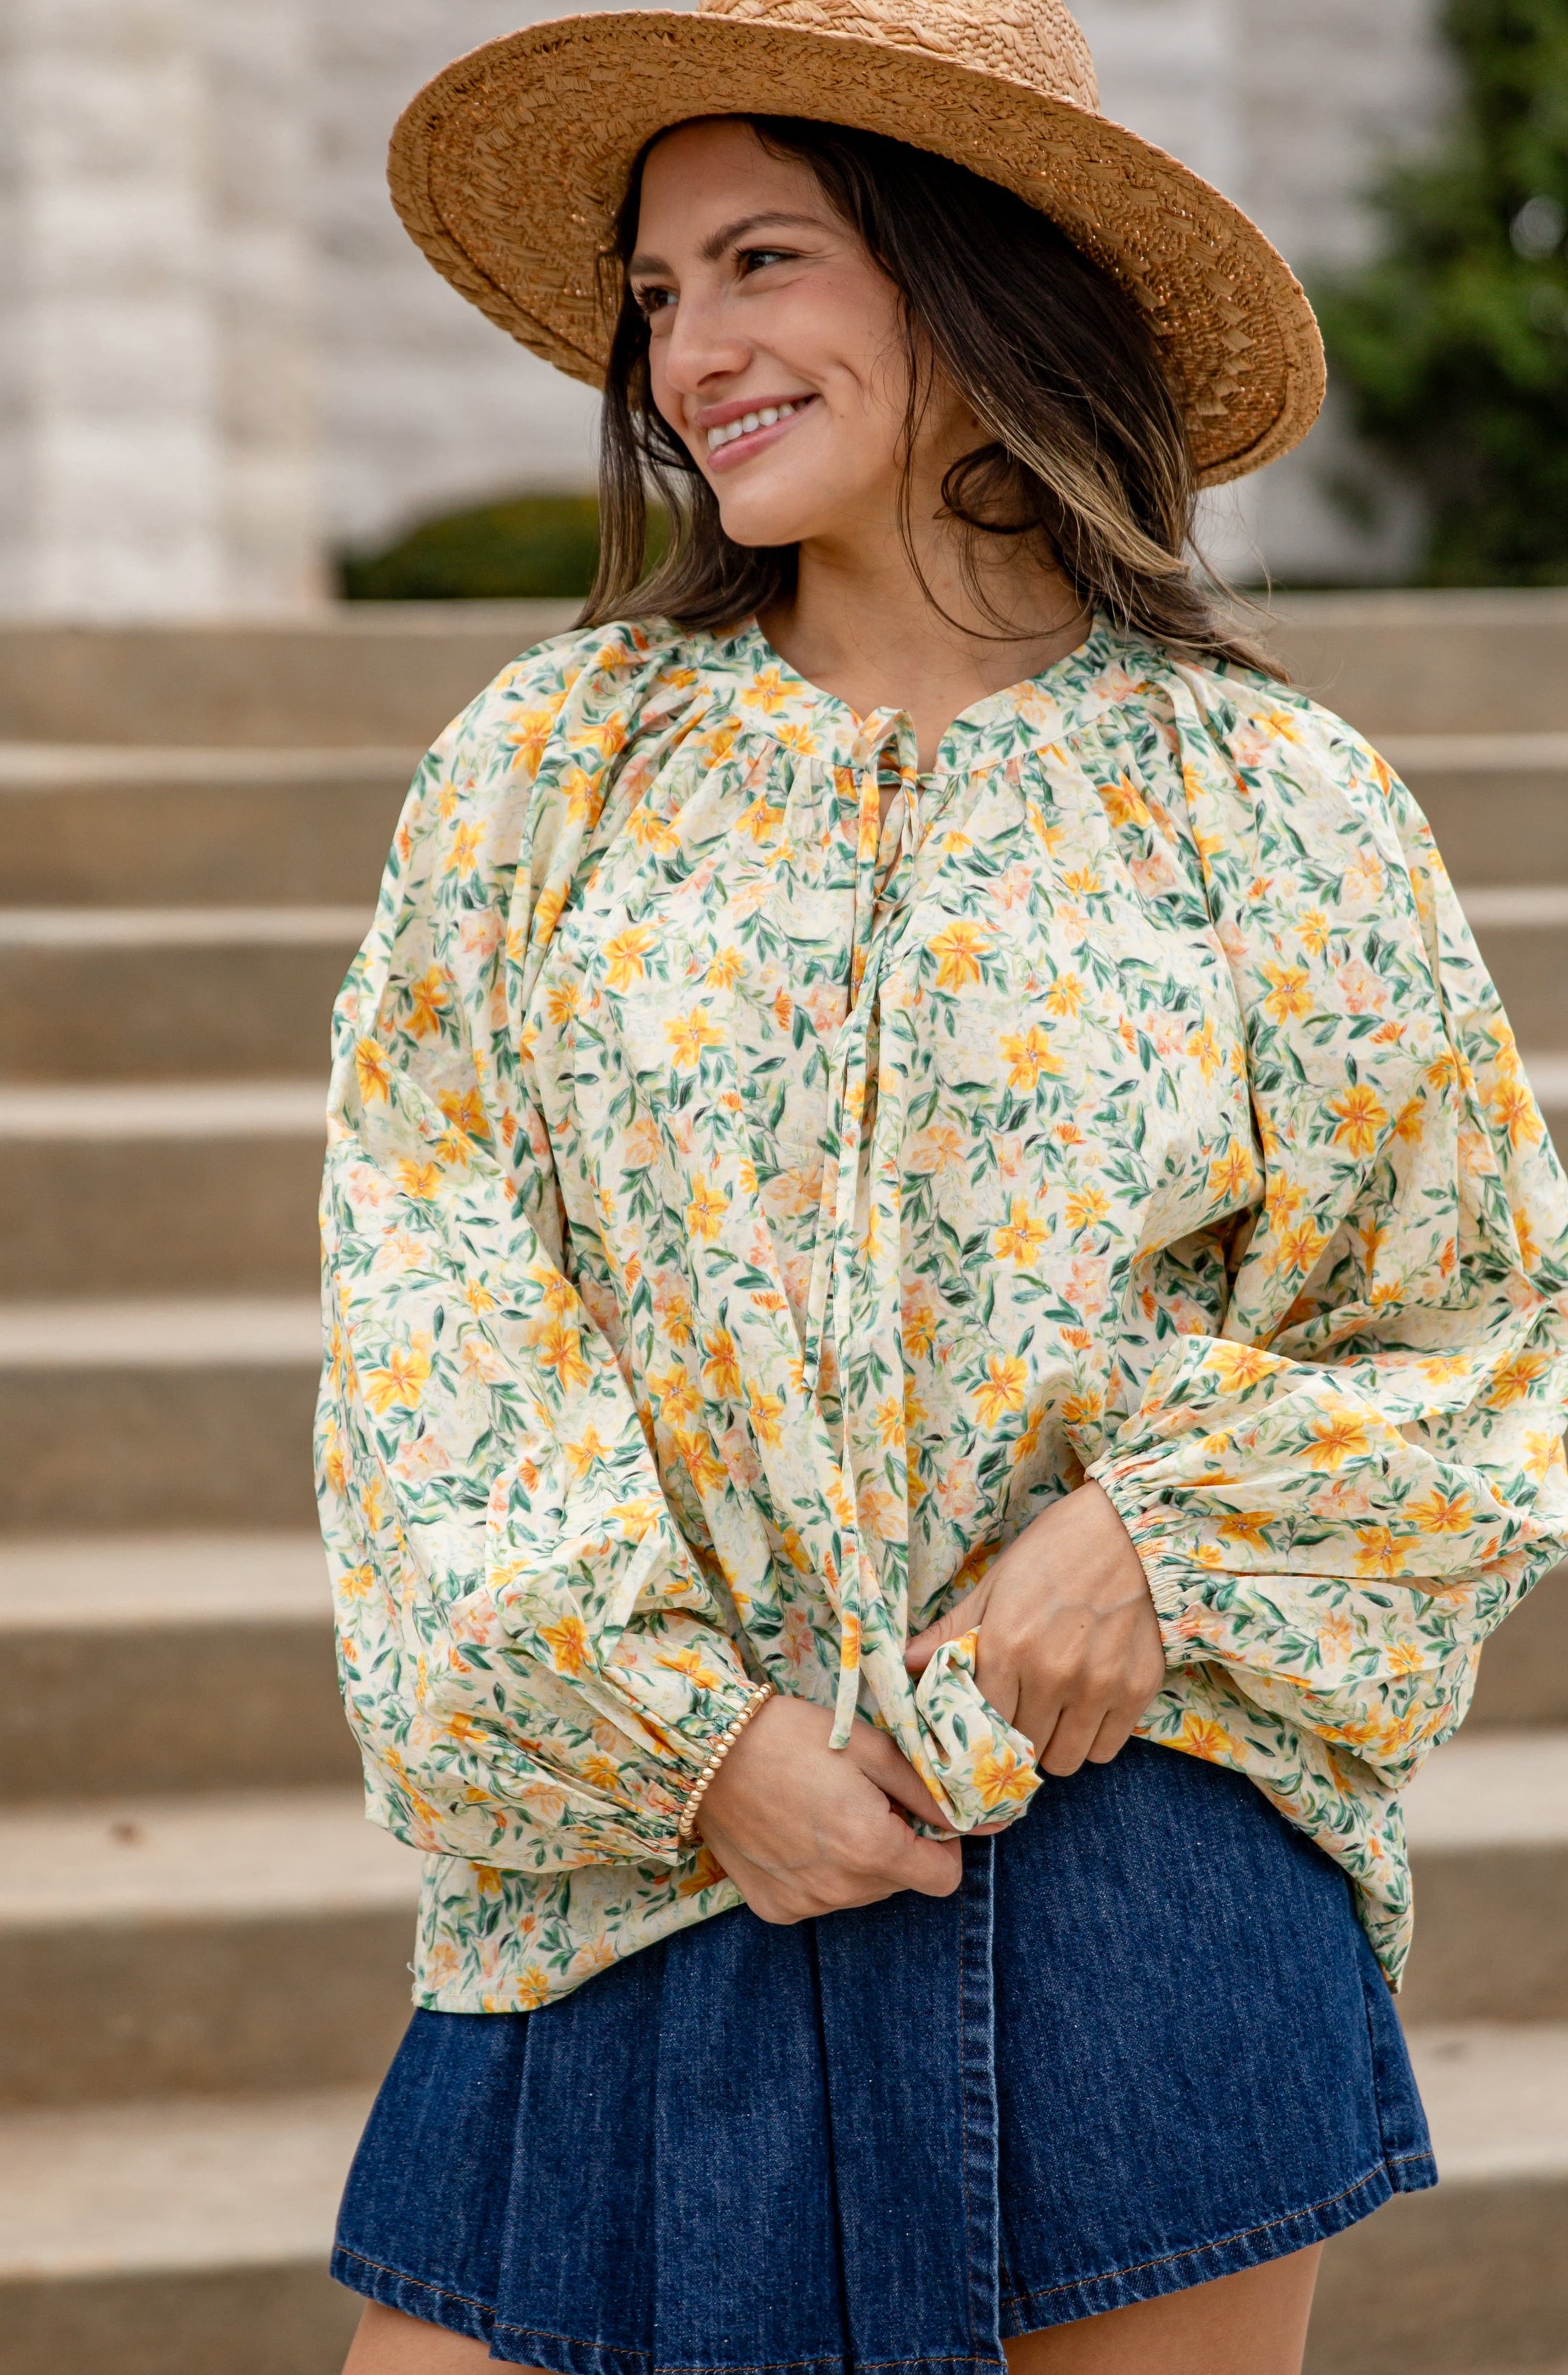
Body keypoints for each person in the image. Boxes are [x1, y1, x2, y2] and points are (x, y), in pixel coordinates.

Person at [317, 5, 1568, 2371]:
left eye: (762, 257)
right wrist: (688, 1750)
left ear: (967, 276)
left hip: (1137, 1884)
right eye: (659, 292)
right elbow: (436, 1292)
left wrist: (1160, 1531)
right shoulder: (543, 779)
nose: (691, 350)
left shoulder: (1268, 799)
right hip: (631, 1886)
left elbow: (1479, 1321)